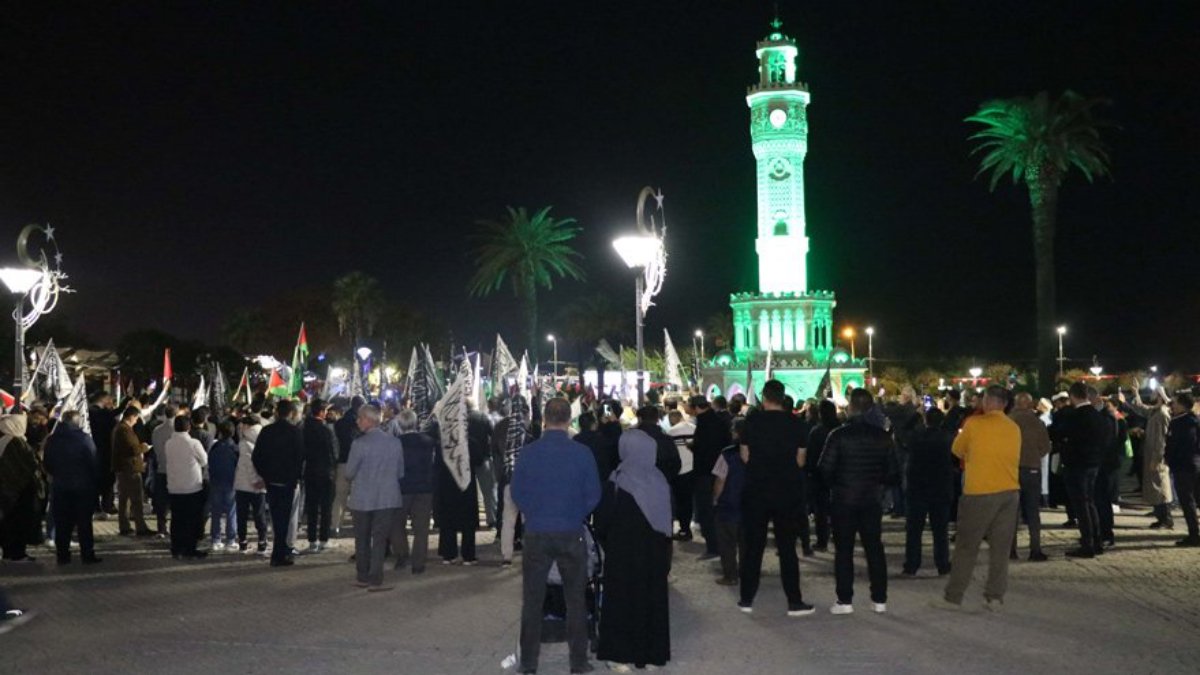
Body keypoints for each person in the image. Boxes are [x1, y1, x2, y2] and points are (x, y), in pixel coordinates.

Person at [511, 397, 601, 675]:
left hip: (537, 532)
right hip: (570, 531)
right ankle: (578, 662)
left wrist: (535, 513)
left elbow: (517, 493)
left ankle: (528, 663)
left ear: (545, 420)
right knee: (575, 600)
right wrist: (574, 514)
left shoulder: (528, 453)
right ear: (568, 420)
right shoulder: (581, 453)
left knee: (533, 600)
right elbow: (594, 494)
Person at [931, 386, 1020, 612]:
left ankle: (953, 597)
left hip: (979, 493)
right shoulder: (1013, 428)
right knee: (1000, 549)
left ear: (988, 401)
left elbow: (957, 450)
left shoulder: (974, 424)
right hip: (1009, 492)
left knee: (967, 548)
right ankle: (995, 596)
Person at [595, 428, 672, 672]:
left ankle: (619, 655)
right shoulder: (659, 480)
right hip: (654, 554)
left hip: (622, 554)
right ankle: (651, 655)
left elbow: (602, 522)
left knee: (621, 601)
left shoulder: (617, 481)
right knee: (652, 600)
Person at [820, 388, 899, 615]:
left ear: (851, 406)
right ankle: (879, 598)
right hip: (871, 499)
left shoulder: (838, 435)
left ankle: (845, 600)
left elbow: (824, 470)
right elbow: (893, 473)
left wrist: (837, 483)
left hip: (844, 499)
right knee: (874, 548)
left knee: (844, 550)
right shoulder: (883, 437)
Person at [737, 379, 812, 616]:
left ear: (764, 397)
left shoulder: (752, 421)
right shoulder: (796, 424)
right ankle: (794, 601)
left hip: (757, 490)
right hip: (787, 491)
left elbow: (745, 456)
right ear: (783, 397)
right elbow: (801, 460)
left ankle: (746, 599)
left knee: (753, 547)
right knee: (787, 548)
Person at [345, 404, 405, 591]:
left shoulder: (359, 444)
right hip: (387, 498)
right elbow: (400, 472)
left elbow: (349, 473)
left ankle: (362, 576)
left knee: (361, 538)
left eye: (360, 418)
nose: (357, 421)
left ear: (368, 420)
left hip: (362, 499)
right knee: (379, 540)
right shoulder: (395, 443)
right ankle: (376, 578)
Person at [1052, 381, 1111, 558]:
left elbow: (1059, 434)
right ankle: (1097, 539)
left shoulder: (1075, 416)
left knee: (1081, 505)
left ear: (1072, 396)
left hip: (1077, 465)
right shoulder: (1097, 415)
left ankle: (1087, 544)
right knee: (1090, 502)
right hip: (1094, 464)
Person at [42, 410, 101, 565]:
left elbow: (47, 462)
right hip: (82, 487)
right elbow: (93, 461)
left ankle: (62, 555)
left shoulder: (53, 440)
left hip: (61, 486)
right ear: (77, 422)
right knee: (84, 523)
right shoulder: (84, 439)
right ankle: (87, 554)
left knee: (62, 523)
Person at [252, 400, 306, 567]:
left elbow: (256, 456)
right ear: (291, 413)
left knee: (276, 517)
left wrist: (265, 475)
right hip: (287, 481)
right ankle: (279, 554)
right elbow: (300, 457)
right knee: (284, 518)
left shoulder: (267, 431)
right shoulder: (294, 432)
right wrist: (296, 476)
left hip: (272, 481)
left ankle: (279, 552)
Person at [902, 407, 953, 576]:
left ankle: (912, 564)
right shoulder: (947, 438)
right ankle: (942, 564)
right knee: (940, 530)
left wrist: (915, 414)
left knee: (914, 530)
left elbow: (903, 432)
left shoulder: (916, 437)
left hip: (918, 487)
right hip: (940, 487)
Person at [435, 402, 486, 565]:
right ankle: (468, 555)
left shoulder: (443, 444)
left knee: (448, 520)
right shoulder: (470, 442)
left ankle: (449, 554)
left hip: (447, 486)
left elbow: (436, 465)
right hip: (465, 485)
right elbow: (479, 461)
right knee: (467, 522)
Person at [1123, 386, 1174, 529]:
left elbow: (1162, 440)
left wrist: (1157, 458)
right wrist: (1136, 393)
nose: (1151, 395)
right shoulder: (1155, 412)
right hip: (1151, 453)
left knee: (1161, 488)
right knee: (1155, 487)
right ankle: (1160, 516)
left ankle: (1166, 518)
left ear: (1160, 396)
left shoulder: (1162, 414)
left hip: (1156, 457)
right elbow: (1142, 408)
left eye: (1154, 393)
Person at [1009, 392, 1051, 561]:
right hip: (1032, 469)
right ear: (1030, 404)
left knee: (1011, 512)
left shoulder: (1008, 421)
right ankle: (1035, 549)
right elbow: (1046, 447)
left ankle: (1011, 550)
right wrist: (1033, 455)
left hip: (1011, 469)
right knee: (1033, 511)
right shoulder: (1037, 422)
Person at [391, 409, 435, 574]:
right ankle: (418, 563)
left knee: (396, 524)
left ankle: (402, 554)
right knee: (421, 528)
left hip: (402, 489)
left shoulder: (395, 443)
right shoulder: (428, 441)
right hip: (424, 489)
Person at [690, 394, 730, 560]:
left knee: (706, 510)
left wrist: (693, 447)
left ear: (696, 407)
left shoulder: (703, 423)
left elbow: (702, 448)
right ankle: (722, 544)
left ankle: (713, 547)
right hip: (720, 469)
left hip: (705, 473)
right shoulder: (719, 421)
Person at [164, 415, 208, 560]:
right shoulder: (193, 443)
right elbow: (204, 460)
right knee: (192, 519)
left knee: (177, 519)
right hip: (192, 486)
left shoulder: (168, 443)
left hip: (174, 486)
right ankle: (190, 548)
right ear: (189, 427)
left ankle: (176, 548)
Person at [0, 413, 41, 563]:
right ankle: (17, 553)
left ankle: (9, 552)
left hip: (8, 492)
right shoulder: (15, 442)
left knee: (8, 523)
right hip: (18, 493)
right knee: (17, 523)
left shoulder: (5, 440)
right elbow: (24, 467)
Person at [711, 417, 747, 585]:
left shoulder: (727, 453)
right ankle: (748, 575)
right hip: (751, 506)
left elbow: (720, 480)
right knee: (748, 544)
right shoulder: (761, 451)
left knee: (727, 544)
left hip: (729, 504)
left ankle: (730, 576)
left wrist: (715, 499)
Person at [302, 400, 339, 553]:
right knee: (325, 507)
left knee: (311, 507)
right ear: (322, 412)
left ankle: (312, 540)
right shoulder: (326, 431)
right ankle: (323, 539)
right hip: (325, 473)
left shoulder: (304, 429)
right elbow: (334, 453)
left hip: (310, 471)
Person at [111, 406, 153, 536]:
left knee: (125, 499)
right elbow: (132, 449)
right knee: (136, 499)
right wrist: (144, 447)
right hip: (129, 468)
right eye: (136, 418)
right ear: (131, 417)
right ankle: (140, 527)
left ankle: (125, 526)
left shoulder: (122, 428)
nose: (136, 421)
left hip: (125, 468)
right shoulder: (124, 430)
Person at [1165, 392, 1200, 547]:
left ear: (1181, 405)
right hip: (1194, 463)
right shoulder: (1194, 420)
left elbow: (1178, 446)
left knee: (1188, 502)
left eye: (1175, 402)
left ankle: (1194, 534)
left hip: (1183, 466)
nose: (1172, 405)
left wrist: (1170, 460)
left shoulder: (1180, 423)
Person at [804, 400, 838, 553]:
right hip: (838, 475)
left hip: (819, 476)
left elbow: (810, 455)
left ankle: (822, 540)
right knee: (836, 509)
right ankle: (837, 537)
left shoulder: (817, 431)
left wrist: (810, 472)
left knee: (821, 510)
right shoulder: (839, 429)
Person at [233, 414, 268, 554]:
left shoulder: (244, 441)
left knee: (242, 514)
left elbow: (248, 463)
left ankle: (243, 543)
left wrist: (255, 481)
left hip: (244, 483)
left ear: (247, 425)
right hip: (261, 482)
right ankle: (262, 543)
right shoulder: (264, 436)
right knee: (259, 514)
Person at [332, 395, 364, 537]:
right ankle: (359, 526)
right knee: (358, 497)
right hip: (359, 463)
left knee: (340, 497)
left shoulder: (340, 423)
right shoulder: (361, 422)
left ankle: (335, 525)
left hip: (343, 461)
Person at [207, 421, 239, 552]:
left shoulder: (214, 447)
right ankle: (231, 540)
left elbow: (209, 462)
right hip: (231, 483)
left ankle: (216, 539)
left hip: (215, 482)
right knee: (231, 512)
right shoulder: (235, 448)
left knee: (216, 512)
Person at [665, 408, 696, 542]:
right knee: (689, 501)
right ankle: (687, 526)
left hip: (679, 471)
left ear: (672, 419)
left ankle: (684, 528)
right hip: (694, 468)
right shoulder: (694, 428)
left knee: (680, 501)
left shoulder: (671, 432)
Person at [150, 404, 179, 536]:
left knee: (162, 502)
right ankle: (176, 528)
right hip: (176, 470)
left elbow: (156, 450)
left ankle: (161, 528)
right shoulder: (178, 430)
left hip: (161, 468)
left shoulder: (157, 430)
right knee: (176, 501)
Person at [88, 392, 118, 517]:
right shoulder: (99, 413)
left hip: (95, 450)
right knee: (106, 481)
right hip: (104, 451)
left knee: (98, 481)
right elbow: (112, 415)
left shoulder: (90, 412)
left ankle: (99, 505)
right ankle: (106, 505)